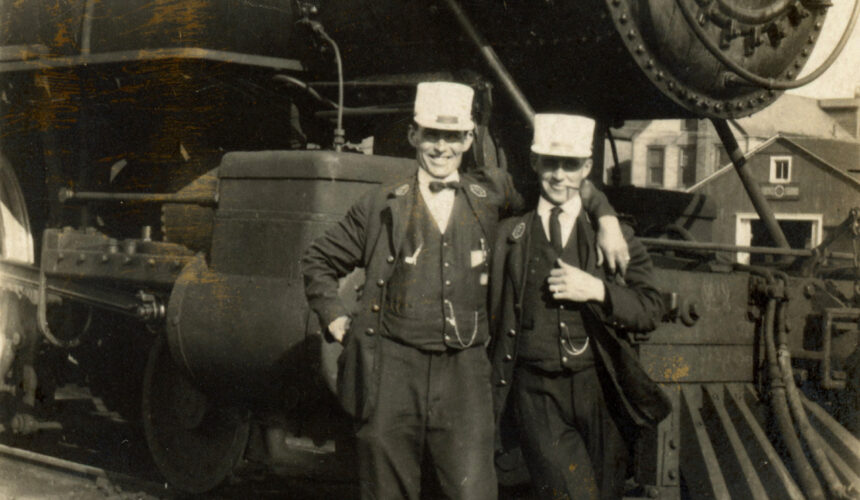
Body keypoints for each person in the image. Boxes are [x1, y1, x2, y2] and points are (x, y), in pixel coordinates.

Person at [302, 83, 627, 500]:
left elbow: (559, 179)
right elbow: (317, 261)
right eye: (432, 135)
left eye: (453, 136)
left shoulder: (490, 194)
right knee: (387, 491)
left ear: (470, 139)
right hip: (391, 372)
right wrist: (336, 318)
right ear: (413, 135)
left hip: (465, 374)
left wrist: (606, 216)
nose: (442, 147)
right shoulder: (380, 204)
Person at [489, 114, 672, 499]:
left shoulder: (614, 237)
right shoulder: (509, 236)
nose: (559, 175)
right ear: (535, 162)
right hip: (535, 392)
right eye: (550, 163)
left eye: (570, 165)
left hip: (600, 390)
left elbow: (651, 306)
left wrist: (598, 290)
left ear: (587, 168)